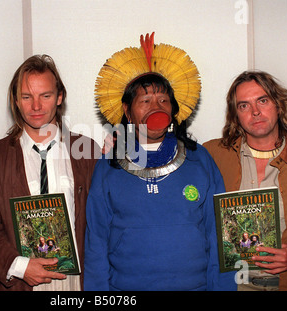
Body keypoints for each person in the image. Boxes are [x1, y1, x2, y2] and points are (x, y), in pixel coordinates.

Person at [84, 32, 236, 291]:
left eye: (164, 100)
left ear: (174, 110)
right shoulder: (108, 165)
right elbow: (96, 242)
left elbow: (222, 234)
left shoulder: (200, 159)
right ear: (127, 111)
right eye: (145, 101)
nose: (156, 107)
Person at [0, 54, 99, 291]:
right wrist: (19, 267)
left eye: (45, 96)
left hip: (78, 283)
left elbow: (103, 223)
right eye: (27, 97)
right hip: (20, 282)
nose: (36, 106)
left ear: (60, 97)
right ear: (16, 101)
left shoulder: (89, 152)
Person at [204, 70, 287, 291]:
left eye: (262, 101)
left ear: (278, 105)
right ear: (235, 115)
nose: (255, 112)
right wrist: (122, 143)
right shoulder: (212, 155)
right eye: (244, 105)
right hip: (231, 285)